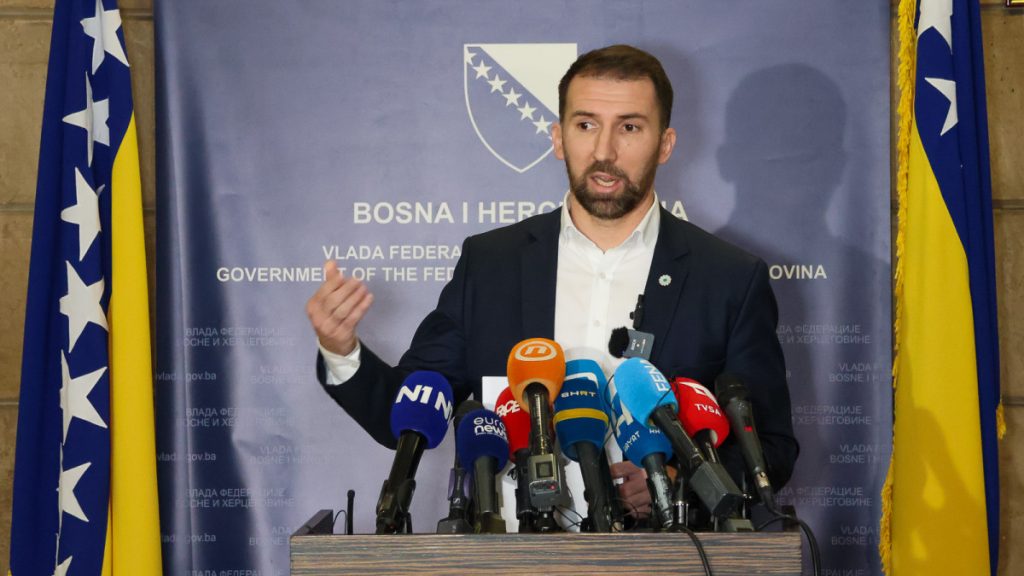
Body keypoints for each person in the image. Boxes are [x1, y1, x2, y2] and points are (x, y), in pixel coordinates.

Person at [307, 44, 798, 520]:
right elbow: (408, 413)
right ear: (558, 137)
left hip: (668, 552)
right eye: (586, 125)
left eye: (629, 127)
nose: (604, 150)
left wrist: (676, 479)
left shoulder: (728, 277)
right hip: (514, 551)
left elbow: (769, 449)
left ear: (665, 144)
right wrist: (340, 349)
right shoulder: (491, 264)